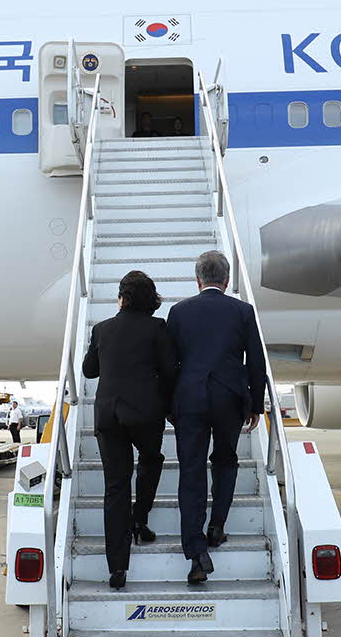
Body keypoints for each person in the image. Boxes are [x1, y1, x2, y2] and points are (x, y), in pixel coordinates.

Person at [167, 251, 265, 585]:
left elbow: (170, 364)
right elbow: (256, 359)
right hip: (229, 398)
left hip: (190, 399)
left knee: (191, 471)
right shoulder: (243, 311)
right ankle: (217, 526)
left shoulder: (178, 312)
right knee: (225, 461)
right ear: (226, 280)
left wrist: (171, 405)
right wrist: (257, 404)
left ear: (198, 280)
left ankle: (196, 553)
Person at [81, 271, 178, 590]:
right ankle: (140, 518)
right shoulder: (157, 327)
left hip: (108, 415)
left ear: (122, 297)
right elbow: (169, 371)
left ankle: (117, 568)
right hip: (145, 413)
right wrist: (167, 406)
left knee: (115, 487)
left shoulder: (102, 329)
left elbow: (89, 370)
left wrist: (98, 346)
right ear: (150, 298)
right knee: (151, 460)